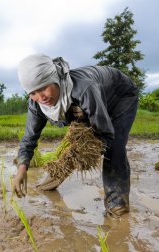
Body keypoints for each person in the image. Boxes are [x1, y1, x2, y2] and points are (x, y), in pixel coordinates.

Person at [12, 54, 139, 217]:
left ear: (56, 79)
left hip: (120, 97)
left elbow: (106, 134)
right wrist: (22, 168)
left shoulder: (83, 88)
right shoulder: (36, 105)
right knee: (74, 140)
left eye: (44, 88)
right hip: (89, 104)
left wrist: (82, 155)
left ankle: (117, 205)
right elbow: (29, 139)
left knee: (114, 148)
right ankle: (55, 176)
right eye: (33, 93)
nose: (41, 97)